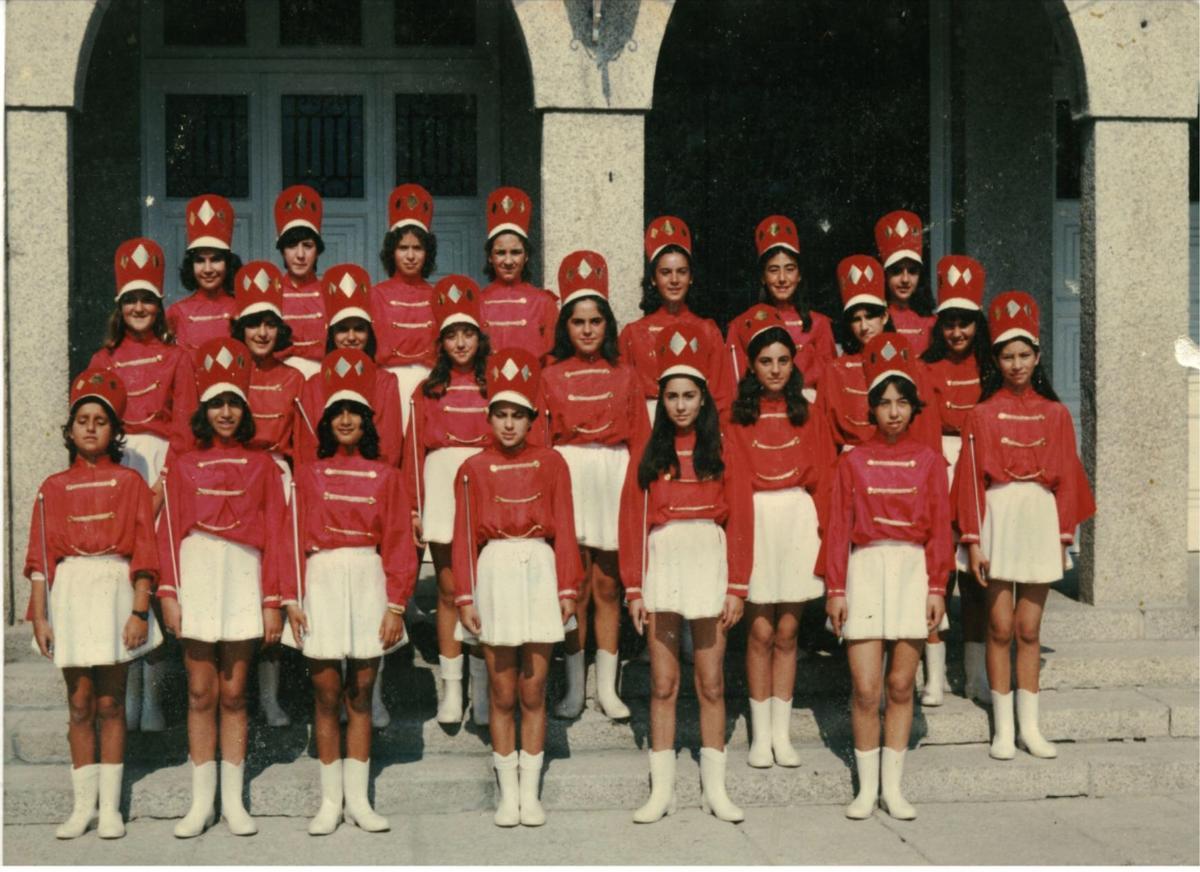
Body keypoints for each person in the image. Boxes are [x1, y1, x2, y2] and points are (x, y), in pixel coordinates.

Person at [156, 338, 292, 838]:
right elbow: (167, 531)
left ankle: (233, 801)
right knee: (199, 690)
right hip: (197, 570)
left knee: (235, 692)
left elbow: (277, 533)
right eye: (217, 404)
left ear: (246, 409)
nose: (226, 412)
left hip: (243, 573)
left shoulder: (263, 466)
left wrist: (272, 601)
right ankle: (200, 802)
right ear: (203, 410)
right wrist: (168, 592)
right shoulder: (185, 464)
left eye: (235, 403)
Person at [952, 291, 1095, 760]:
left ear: (1037, 357)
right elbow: (970, 481)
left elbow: (1068, 481)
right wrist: (973, 543)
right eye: (1007, 356)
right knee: (998, 625)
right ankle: (1002, 728)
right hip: (998, 519)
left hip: (1038, 520)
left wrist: (1061, 537)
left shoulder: (1056, 415)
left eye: (1024, 355)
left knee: (1028, 628)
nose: (1016, 364)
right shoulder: (981, 413)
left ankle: (1030, 728)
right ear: (996, 359)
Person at [283, 348, 416, 835]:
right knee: (325, 691)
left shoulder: (387, 476)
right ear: (324, 422)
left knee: (361, 691)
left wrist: (396, 603)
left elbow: (400, 543)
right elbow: (289, 540)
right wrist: (291, 599)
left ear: (367, 422)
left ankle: (358, 799)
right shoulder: (307, 475)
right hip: (320, 578)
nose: (344, 420)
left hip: (367, 578)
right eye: (336, 413)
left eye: (354, 413)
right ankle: (329, 800)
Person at [619, 325, 748, 825]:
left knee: (711, 682)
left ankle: (715, 789)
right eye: (671, 396)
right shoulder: (648, 453)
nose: (679, 405)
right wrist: (634, 585)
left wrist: (737, 585)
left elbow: (741, 521)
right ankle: (662, 792)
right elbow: (631, 523)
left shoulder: (725, 448)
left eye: (689, 395)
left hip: (708, 563)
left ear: (703, 398)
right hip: (664, 566)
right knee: (664, 683)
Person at [25, 369, 162, 840]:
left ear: (114, 430)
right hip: (71, 593)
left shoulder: (129, 484)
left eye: (100, 421)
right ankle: (82, 806)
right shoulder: (52, 487)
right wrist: (40, 616)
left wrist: (139, 610)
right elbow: (41, 559)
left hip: (114, 588)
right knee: (79, 702)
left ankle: (111, 808)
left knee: (110, 702)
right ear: (69, 430)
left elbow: (145, 551)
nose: (89, 427)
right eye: (82, 419)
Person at [823, 333, 952, 821]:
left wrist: (937, 586)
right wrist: (836, 589)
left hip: (912, 571)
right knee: (866, 688)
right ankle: (865, 787)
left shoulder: (929, 462)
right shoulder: (851, 460)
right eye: (884, 404)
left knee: (901, 685)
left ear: (913, 408)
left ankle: (893, 789)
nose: (894, 412)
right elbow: (837, 528)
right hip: (866, 568)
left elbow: (940, 528)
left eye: (902, 403)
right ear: (870, 409)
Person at [453, 347, 582, 827]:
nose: (509, 425)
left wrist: (568, 586)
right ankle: (508, 794)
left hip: (540, 569)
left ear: (532, 419)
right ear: (489, 418)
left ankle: (532, 792)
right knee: (502, 692)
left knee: (534, 689)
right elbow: (465, 537)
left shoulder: (552, 463)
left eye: (518, 416)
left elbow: (565, 528)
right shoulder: (472, 468)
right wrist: (465, 596)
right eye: (501, 415)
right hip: (495, 571)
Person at [91, 237, 197, 734]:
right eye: (130, 300)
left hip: (159, 465)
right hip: (117, 466)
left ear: (159, 307)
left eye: (147, 301)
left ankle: (152, 700)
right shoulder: (103, 358)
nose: (138, 308)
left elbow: (185, 426)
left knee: (153, 577)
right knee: (122, 577)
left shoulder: (177, 358)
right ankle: (125, 693)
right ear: (120, 307)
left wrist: (161, 487)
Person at [539, 250, 648, 721]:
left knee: (608, 585)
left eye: (596, 321)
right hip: (570, 475)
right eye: (578, 322)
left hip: (612, 475)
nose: (587, 330)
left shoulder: (625, 375)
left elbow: (641, 438)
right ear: (566, 327)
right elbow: (543, 443)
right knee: (575, 585)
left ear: (608, 325)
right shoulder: (548, 376)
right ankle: (573, 689)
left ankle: (608, 688)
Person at [293, 264, 404, 726]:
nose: (352, 337)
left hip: (373, 496)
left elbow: (391, 448)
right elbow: (305, 454)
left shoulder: (386, 382)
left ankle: (372, 693)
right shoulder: (311, 385)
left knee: (370, 611)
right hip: (325, 497)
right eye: (343, 329)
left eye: (360, 328)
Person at [725, 304, 834, 768]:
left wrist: (827, 539)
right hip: (755, 522)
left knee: (788, 630)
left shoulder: (807, 412)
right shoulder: (735, 416)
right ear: (751, 365)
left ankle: (782, 734)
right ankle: (758, 735)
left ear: (794, 364)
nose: (774, 369)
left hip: (796, 520)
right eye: (765, 361)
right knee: (760, 630)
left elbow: (824, 477)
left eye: (783, 361)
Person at [405, 275, 493, 725]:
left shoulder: (494, 384)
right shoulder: (427, 390)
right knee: (448, 589)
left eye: (469, 333)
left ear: (480, 336)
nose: (461, 343)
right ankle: (452, 689)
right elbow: (414, 451)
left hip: (485, 486)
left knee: (484, 588)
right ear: (441, 341)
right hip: (441, 485)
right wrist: (416, 507)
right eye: (452, 335)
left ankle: (482, 691)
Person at [231, 260, 304, 727]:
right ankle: (239, 689)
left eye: (269, 324)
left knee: (271, 582)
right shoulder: (227, 369)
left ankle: (271, 696)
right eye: (253, 324)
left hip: (276, 477)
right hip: (234, 479)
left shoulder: (293, 377)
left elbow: (301, 443)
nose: (261, 332)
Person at [918, 255, 993, 706]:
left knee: (976, 578)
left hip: (977, 473)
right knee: (938, 572)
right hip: (938, 465)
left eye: (965, 324)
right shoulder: (925, 368)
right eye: (949, 324)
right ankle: (932, 674)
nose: (957, 333)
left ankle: (975, 674)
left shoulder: (988, 369)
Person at [619, 216, 734, 424]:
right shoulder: (633, 333)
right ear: (653, 279)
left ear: (691, 277)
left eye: (681, 272)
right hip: (649, 426)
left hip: (697, 426)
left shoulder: (707, 330)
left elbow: (721, 395)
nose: (674, 280)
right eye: (665, 273)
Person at [821, 255, 941, 454]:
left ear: (885, 316)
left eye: (870, 316)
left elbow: (927, 433)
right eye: (856, 319)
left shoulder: (914, 367)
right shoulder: (835, 370)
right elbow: (826, 437)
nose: (863, 327)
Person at [727, 216, 836, 399]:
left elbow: (830, 386)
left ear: (799, 274)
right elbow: (734, 386)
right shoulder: (740, 325)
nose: (782, 278)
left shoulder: (820, 324)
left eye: (790, 268)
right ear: (762, 277)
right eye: (773, 270)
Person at [372, 183, 438, 433]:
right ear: (392, 251)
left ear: (427, 252)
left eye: (417, 248)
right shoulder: (376, 295)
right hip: (389, 386)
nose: (410, 256)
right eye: (403, 248)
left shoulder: (436, 297)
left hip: (427, 384)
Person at [479, 187, 559, 363]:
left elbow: (552, 361)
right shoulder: (478, 301)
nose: (508, 261)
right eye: (500, 253)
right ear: (490, 257)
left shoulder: (544, 302)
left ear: (526, 256)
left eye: (515, 252)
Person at [167, 194, 243, 362]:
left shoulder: (241, 308)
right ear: (190, 265)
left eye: (215, 259)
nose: (208, 269)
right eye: (200, 261)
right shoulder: (176, 312)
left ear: (228, 263)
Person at [274, 185, 327, 379]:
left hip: (322, 377)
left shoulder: (330, 291)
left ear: (318, 250)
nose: (300, 255)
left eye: (308, 246)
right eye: (291, 246)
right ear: (282, 251)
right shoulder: (270, 292)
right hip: (280, 379)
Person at [875, 210, 936, 358]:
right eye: (896, 271)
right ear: (885, 275)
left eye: (912, 271)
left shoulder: (932, 322)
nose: (905, 279)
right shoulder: (876, 321)